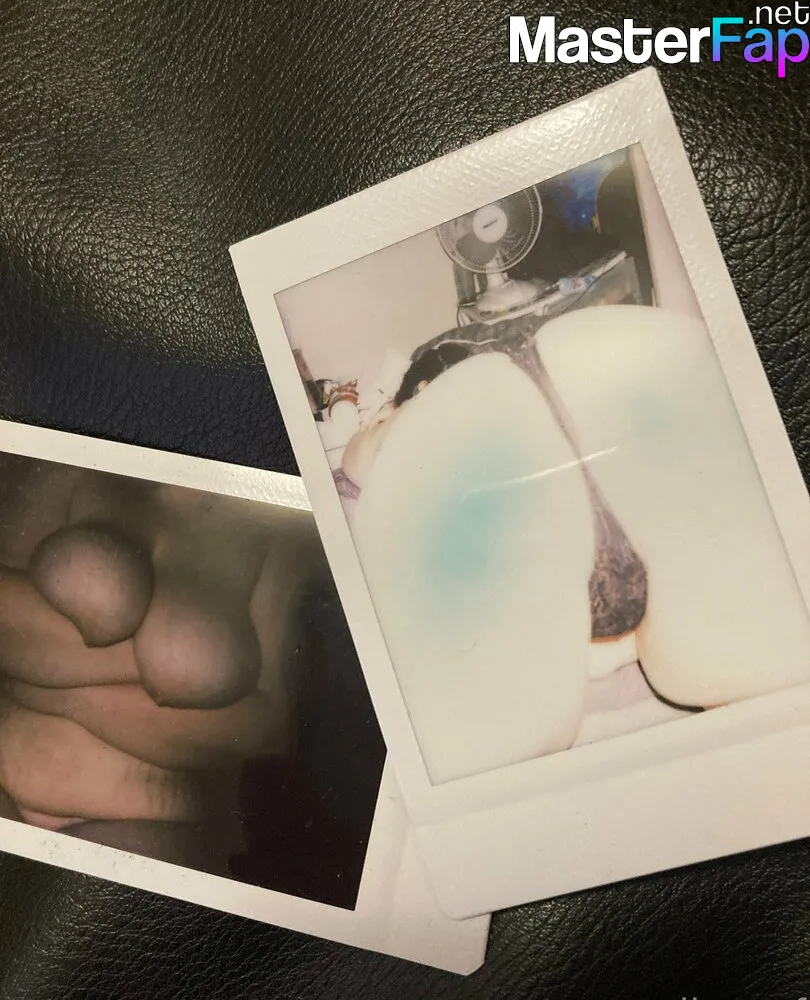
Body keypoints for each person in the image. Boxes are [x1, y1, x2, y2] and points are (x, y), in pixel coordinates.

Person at [0, 453, 319, 874]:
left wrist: (56, 693)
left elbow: (271, 727)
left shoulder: (285, 513)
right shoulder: (57, 460)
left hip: (159, 830)